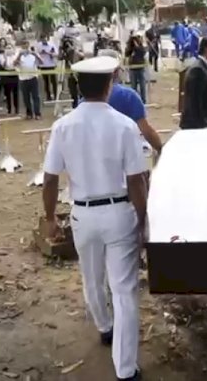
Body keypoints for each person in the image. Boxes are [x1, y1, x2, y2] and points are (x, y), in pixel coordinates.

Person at [42, 55, 147, 381]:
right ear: (110, 83)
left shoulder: (62, 126)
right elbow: (136, 181)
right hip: (119, 212)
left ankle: (104, 327)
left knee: (91, 277)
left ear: (78, 86)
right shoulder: (125, 125)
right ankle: (125, 369)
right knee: (124, 289)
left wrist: (49, 218)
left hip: (82, 214)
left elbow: (50, 178)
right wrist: (144, 219)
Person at [91, 49, 163, 153]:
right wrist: (160, 148)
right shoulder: (129, 96)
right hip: (124, 156)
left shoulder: (86, 99)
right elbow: (146, 130)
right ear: (116, 71)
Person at [180, 36, 207, 129]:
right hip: (196, 127)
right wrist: (203, 126)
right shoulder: (198, 70)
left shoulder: (205, 68)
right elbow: (194, 103)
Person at [15, 41, 43, 120]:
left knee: (36, 97)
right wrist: (19, 55)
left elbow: (41, 62)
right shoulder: (18, 55)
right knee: (26, 98)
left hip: (33, 78)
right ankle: (29, 113)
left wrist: (35, 55)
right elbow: (14, 63)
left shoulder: (33, 54)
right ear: (21, 46)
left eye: (27, 46)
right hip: (23, 79)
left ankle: (37, 113)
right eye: (24, 46)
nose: (26, 47)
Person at [124, 34, 147, 104]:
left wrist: (137, 46)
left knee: (142, 86)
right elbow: (126, 54)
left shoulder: (141, 48)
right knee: (133, 86)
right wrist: (131, 46)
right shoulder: (129, 49)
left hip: (140, 68)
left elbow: (143, 52)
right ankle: (134, 100)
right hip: (133, 69)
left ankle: (143, 100)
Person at [36, 34, 58, 102]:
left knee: (53, 80)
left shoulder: (51, 45)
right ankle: (48, 96)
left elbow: (56, 53)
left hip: (51, 64)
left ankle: (56, 95)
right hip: (43, 65)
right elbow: (36, 54)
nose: (44, 40)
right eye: (43, 39)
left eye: (45, 39)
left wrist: (50, 53)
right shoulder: (38, 45)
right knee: (46, 81)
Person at [0, 42, 20, 115]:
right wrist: (5, 57)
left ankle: (16, 109)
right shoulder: (2, 56)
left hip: (14, 73)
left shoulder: (15, 56)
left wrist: (15, 58)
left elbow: (17, 64)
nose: (9, 49)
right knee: (7, 93)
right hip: (6, 73)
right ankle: (9, 109)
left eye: (10, 48)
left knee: (15, 93)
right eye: (7, 48)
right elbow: (3, 65)